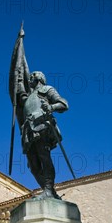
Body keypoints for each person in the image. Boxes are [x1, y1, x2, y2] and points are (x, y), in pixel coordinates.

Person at [17, 71, 69, 199]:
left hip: (42, 125)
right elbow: (21, 98)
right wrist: (18, 84)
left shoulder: (47, 89)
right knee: (33, 165)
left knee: (44, 156)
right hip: (29, 130)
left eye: (31, 77)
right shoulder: (29, 96)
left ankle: (49, 190)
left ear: (38, 78)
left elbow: (64, 104)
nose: (29, 80)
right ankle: (49, 191)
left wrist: (51, 107)